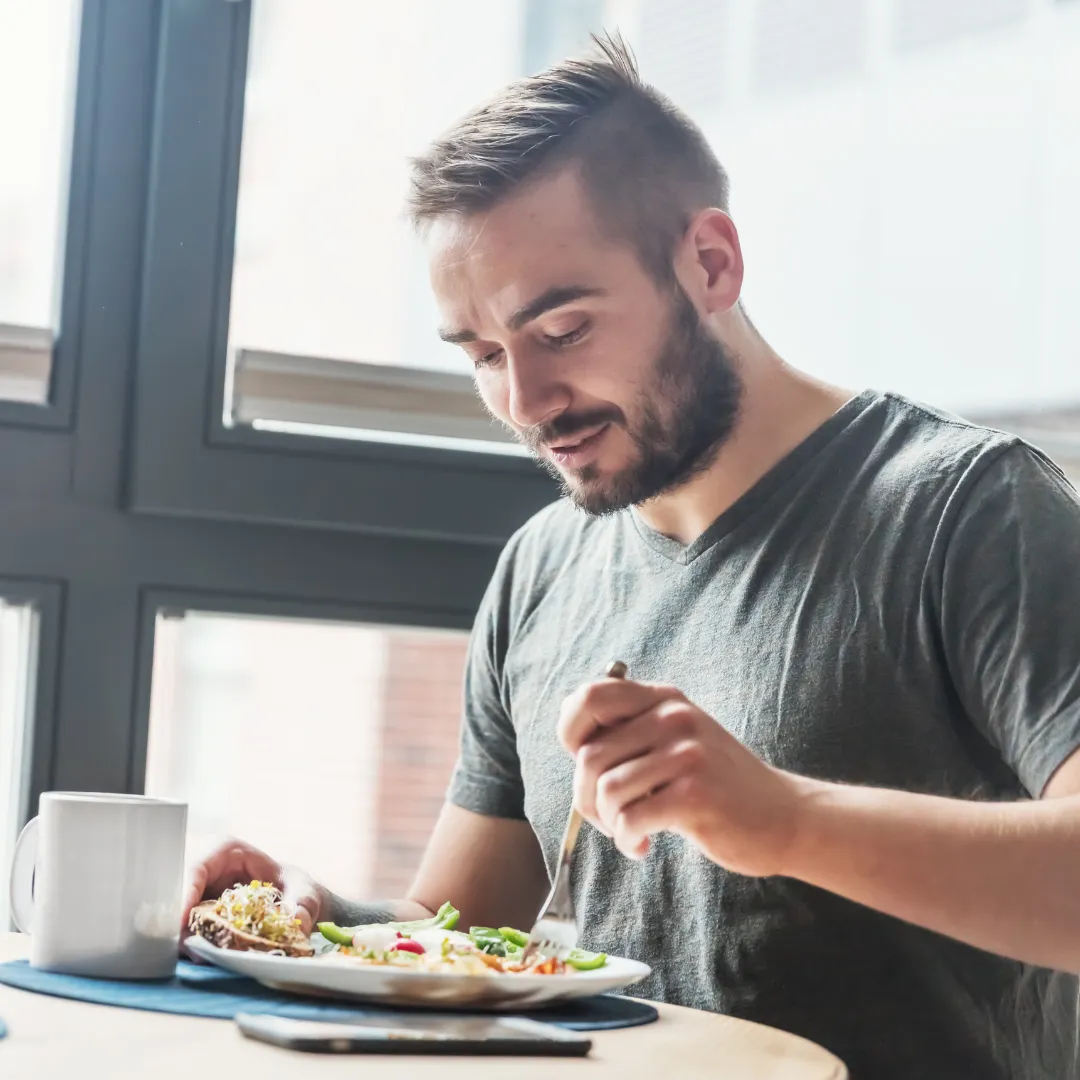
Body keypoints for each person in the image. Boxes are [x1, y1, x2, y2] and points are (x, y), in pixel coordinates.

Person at [184, 36, 1080, 1078]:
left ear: (709, 263)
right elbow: (460, 930)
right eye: (481, 356)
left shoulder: (970, 509)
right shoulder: (541, 567)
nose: (523, 404)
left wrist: (784, 819)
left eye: (560, 329)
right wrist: (320, 918)